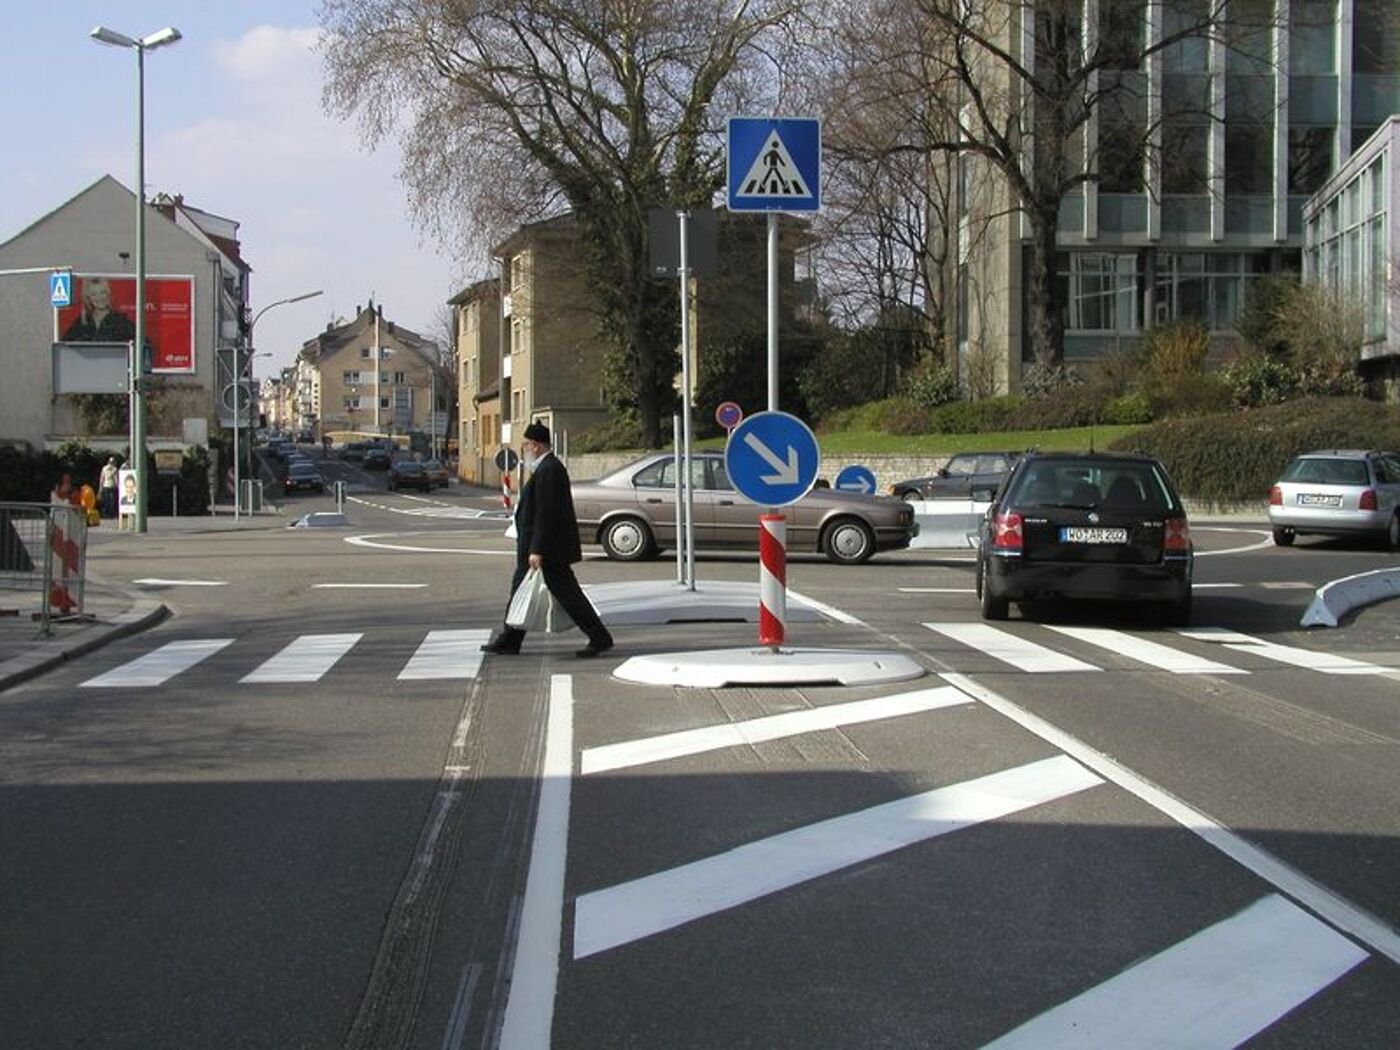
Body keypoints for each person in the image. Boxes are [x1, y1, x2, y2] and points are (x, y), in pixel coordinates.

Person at [482, 421, 614, 658]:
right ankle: (510, 639)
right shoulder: (546, 469)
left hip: (547, 551)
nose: (524, 450)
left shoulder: (550, 470)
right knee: (520, 591)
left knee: (569, 595)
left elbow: (547, 513)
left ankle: (599, 637)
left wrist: (537, 550)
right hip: (537, 547)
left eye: (526, 446)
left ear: (535, 446)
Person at [62, 276, 136, 343]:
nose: (99, 298)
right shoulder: (82, 322)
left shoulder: (122, 322)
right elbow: (65, 346)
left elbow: (142, 345)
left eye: (103, 292)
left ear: (108, 294)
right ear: (88, 298)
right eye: (94, 294)